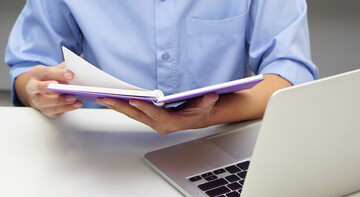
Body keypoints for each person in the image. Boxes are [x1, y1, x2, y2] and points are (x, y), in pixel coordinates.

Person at [5, 0, 318, 135]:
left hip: (217, 143)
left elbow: (290, 76)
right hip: (97, 150)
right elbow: (28, 65)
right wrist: (36, 90)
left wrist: (206, 118)